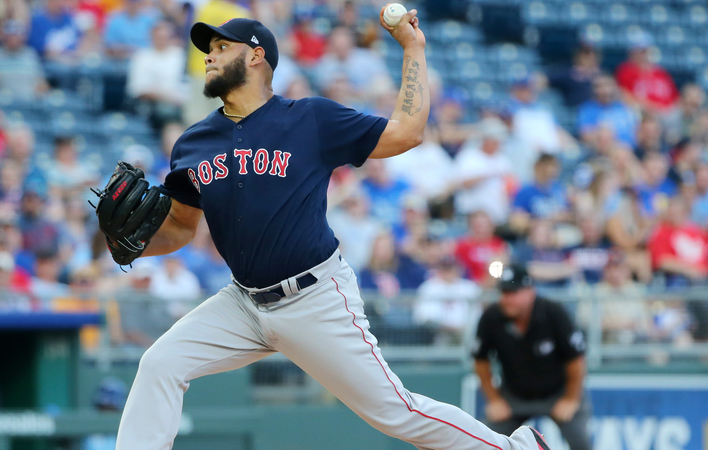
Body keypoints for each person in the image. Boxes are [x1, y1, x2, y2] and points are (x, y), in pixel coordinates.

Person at [112, 12, 550, 450]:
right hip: (242, 303)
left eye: (222, 47)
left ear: (257, 56)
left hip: (313, 298)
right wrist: (128, 245)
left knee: (397, 411)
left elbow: (408, 132)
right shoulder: (194, 142)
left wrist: (413, 49)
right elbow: (181, 229)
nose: (210, 56)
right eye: (209, 50)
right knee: (160, 365)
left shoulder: (310, 119)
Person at [473, 264, 590, 450]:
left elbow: (576, 359)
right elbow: (480, 360)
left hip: (558, 392)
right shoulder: (491, 316)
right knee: (483, 442)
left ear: (530, 291)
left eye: (513, 292)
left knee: (582, 444)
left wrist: (571, 399)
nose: (507, 298)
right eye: (504, 292)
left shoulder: (553, 312)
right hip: (514, 395)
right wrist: (494, 400)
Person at [614, 32, 678, 112]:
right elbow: (624, 95)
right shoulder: (626, 71)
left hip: (667, 113)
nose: (643, 54)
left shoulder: (661, 72)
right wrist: (653, 109)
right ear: (631, 52)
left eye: (645, 51)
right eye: (640, 51)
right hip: (642, 113)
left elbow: (675, 97)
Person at [577, 75, 638, 148]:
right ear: (593, 90)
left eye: (608, 86)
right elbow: (586, 135)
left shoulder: (623, 107)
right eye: (599, 87)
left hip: (631, 148)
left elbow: (635, 131)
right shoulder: (588, 109)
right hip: (606, 150)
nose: (605, 90)